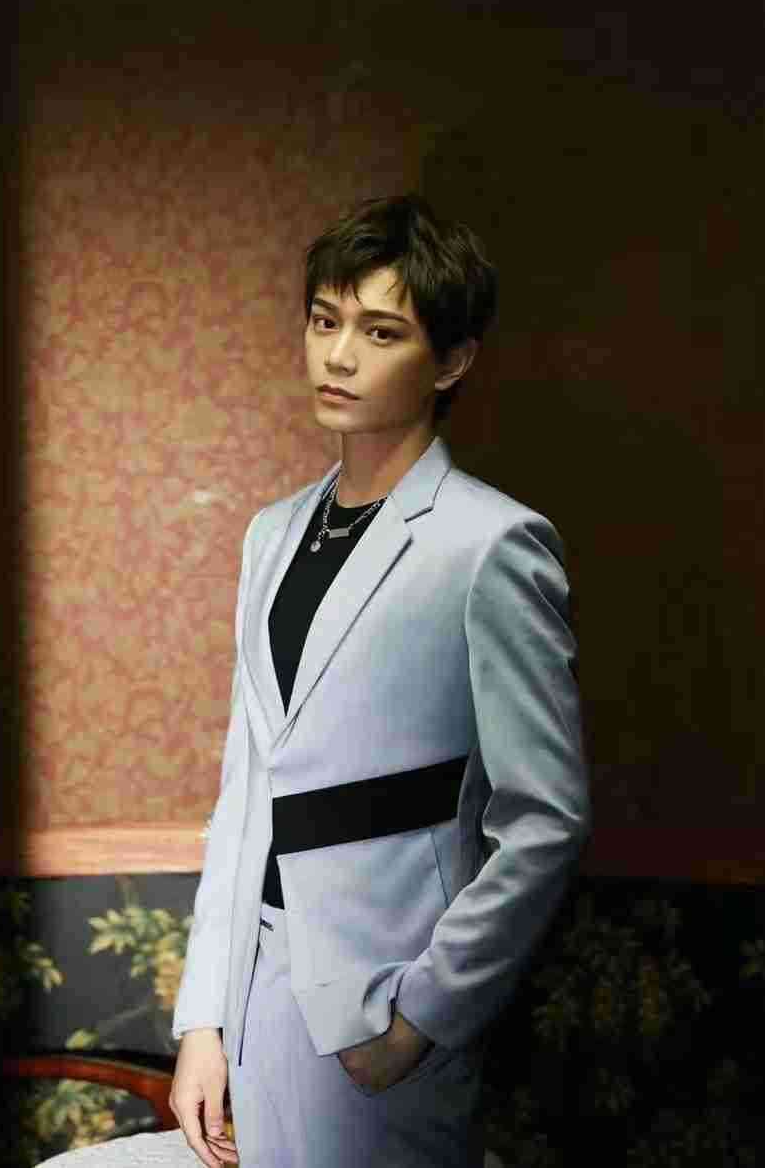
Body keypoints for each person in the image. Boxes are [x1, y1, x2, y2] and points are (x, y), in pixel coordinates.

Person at [169, 193, 590, 1168]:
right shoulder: (272, 533)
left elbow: (545, 820)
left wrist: (420, 1018)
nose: (339, 355)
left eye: (380, 331)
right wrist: (204, 1020)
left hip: (380, 1006)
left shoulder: (491, 545)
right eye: (325, 322)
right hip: (252, 991)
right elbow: (249, 786)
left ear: (451, 361)